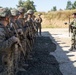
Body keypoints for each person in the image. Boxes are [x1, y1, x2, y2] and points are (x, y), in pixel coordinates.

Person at [0, 8, 20, 75]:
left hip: (7, 58)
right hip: (3, 62)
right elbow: (1, 46)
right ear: (6, 18)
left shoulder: (4, 27)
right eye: (9, 17)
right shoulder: (1, 30)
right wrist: (12, 39)